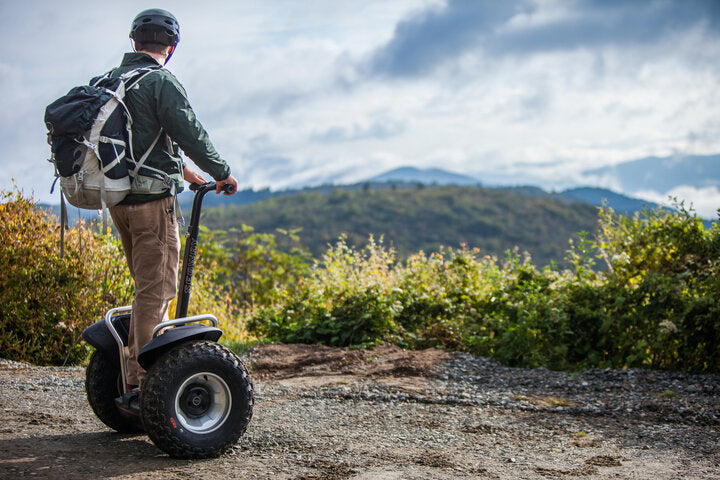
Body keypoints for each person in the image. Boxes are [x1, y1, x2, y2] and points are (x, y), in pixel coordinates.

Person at [110, 8, 238, 415]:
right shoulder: (160, 81)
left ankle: (131, 370)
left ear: (134, 42)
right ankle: (144, 385)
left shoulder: (114, 81)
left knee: (144, 286)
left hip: (119, 201)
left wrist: (191, 173)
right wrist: (222, 173)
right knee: (157, 290)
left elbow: (149, 139)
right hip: (151, 204)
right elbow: (187, 131)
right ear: (172, 46)